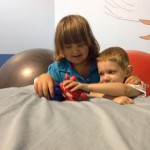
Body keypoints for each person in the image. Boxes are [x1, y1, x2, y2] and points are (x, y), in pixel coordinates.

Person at [34, 15, 142, 100]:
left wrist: (133, 79)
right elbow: (47, 84)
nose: (75, 51)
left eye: (80, 44)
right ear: (61, 48)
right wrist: (44, 77)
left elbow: (124, 79)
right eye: (68, 47)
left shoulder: (101, 63)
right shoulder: (57, 68)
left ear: (89, 43)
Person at [63, 46, 146, 104]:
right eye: (101, 74)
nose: (105, 78)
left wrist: (85, 86)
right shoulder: (103, 84)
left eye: (111, 72)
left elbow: (124, 89)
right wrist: (114, 98)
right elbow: (92, 93)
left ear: (127, 72)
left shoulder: (135, 84)